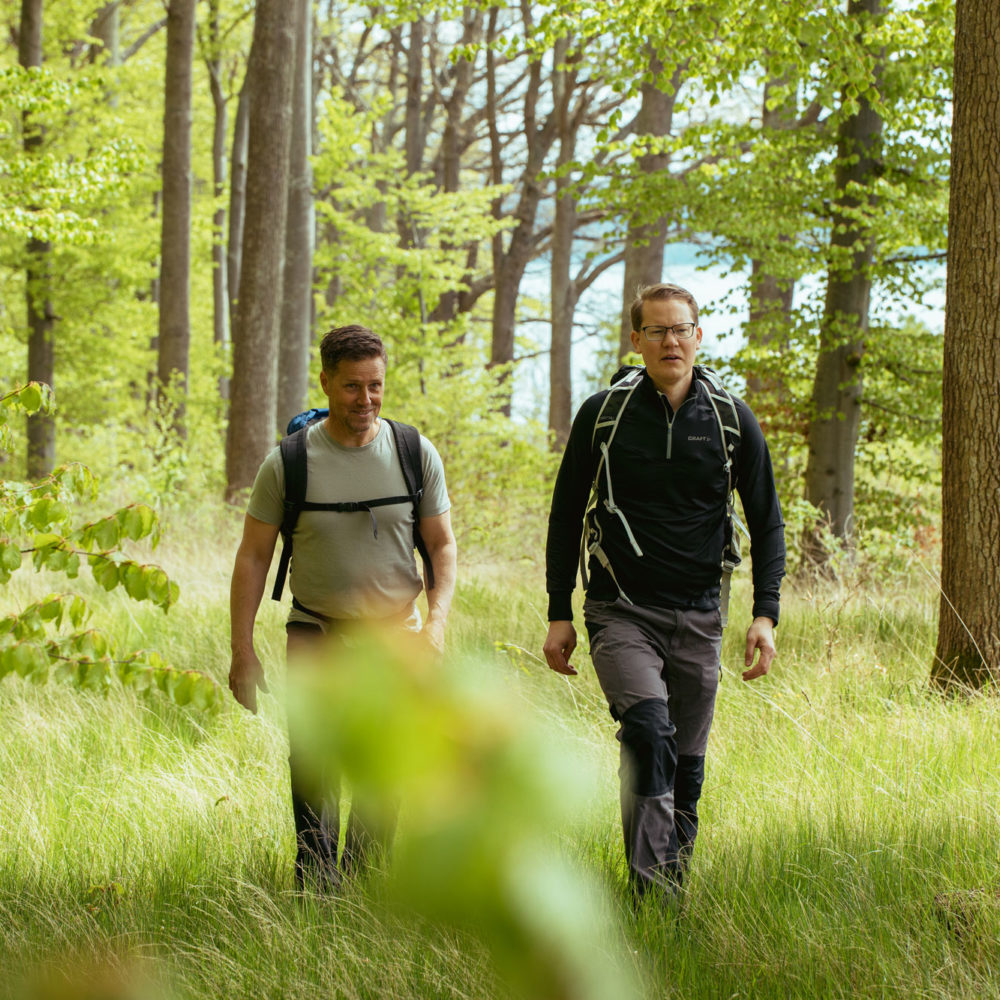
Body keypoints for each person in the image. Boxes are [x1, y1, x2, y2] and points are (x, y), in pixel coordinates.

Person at [543, 283, 785, 900]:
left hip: (702, 614)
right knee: (650, 732)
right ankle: (652, 893)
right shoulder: (604, 414)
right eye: (657, 331)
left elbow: (766, 517)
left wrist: (766, 613)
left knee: (687, 764)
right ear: (637, 340)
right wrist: (558, 611)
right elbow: (567, 511)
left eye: (681, 330)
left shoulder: (730, 418)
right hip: (620, 610)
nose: (670, 341)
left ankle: (671, 879)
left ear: (698, 336)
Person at [228, 324, 457, 889]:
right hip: (316, 631)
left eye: (376, 386)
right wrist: (242, 650)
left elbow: (443, 546)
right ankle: (317, 887)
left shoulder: (412, 452)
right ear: (326, 381)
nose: (366, 400)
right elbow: (254, 556)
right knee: (312, 762)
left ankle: (364, 880)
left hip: (396, 636)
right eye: (353, 387)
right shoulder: (288, 463)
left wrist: (436, 626)